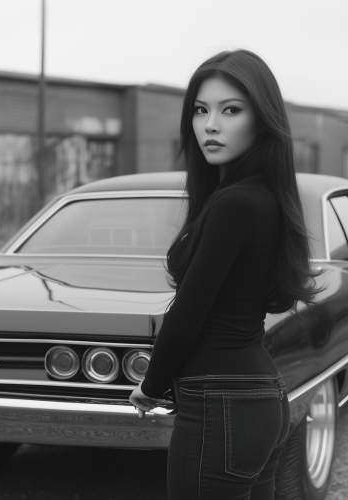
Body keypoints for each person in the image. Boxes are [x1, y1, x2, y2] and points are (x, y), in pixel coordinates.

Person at [129, 49, 325, 500]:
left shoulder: (235, 203)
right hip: (262, 399)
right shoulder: (267, 198)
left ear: (263, 119)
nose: (210, 125)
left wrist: (151, 385)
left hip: (221, 404)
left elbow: (189, 313)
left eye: (230, 110)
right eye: (200, 110)